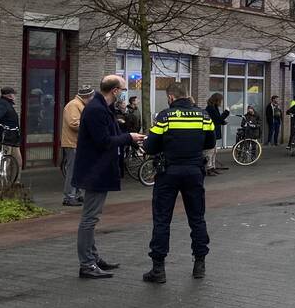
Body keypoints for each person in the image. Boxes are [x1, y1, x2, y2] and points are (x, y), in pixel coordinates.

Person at [141, 82, 216, 283]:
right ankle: (199, 264)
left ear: (171, 97)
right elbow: (210, 143)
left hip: (168, 172)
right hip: (194, 171)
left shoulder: (165, 116)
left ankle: (158, 269)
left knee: (162, 219)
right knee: (197, 218)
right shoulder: (203, 116)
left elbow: (149, 146)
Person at [73, 75, 146, 279]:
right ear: (115, 91)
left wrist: (131, 139)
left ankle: (93, 258)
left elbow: (113, 132)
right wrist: (128, 137)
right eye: (123, 89)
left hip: (98, 169)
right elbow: (103, 141)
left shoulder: (102, 108)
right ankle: (87, 264)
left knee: (92, 217)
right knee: (90, 218)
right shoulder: (96, 110)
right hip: (95, 171)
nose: (124, 92)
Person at [60, 86, 94, 206]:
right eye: (91, 97)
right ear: (87, 97)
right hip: (72, 142)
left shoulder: (79, 105)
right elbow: (74, 123)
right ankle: (69, 196)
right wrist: (91, 126)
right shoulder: (74, 105)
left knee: (78, 170)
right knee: (73, 170)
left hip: (78, 143)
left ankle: (77, 194)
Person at [0, 87, 21, 177]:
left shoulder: (6, 104)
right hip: (7, 137)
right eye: (14, 94)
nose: (15, 96)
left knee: (15, 159)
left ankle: (14, 182)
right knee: (7, 161)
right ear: (10, 95)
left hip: (12, 137)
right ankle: (7, 183)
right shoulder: (3, 105)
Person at [204, 94, 229, 175]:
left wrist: (223, 122)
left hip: (214, 131)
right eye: (220, 100)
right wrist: (226, 112)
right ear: (217, 100)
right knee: (211, 151)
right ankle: (209, 168)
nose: (221, 102)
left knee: (214, 151)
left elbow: (216, 119)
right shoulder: (210, 108)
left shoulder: (214, 107)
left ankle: (212, 166)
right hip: (211, 132)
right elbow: (217, 119)